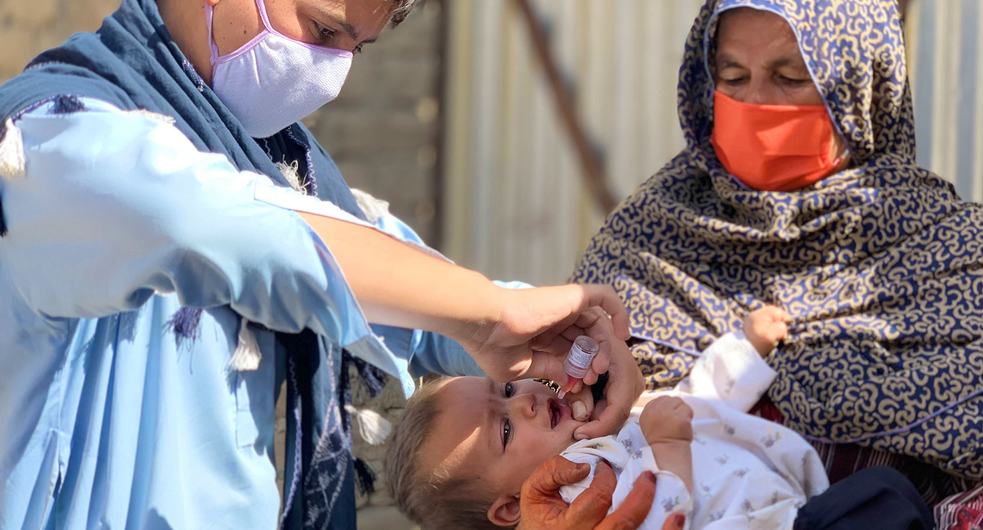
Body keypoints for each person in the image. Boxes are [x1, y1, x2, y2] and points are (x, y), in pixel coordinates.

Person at [0, 0, 650, 528]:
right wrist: (486, 313)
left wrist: (559, 346)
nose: (331, 72)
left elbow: (408, 293)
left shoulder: (281, 169)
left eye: (353, 48)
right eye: (321, 31)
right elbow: (219, 228)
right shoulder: (57, 138)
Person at [571, 1, 983, 529]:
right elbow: (540, 403)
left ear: (861, 92)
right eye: (733, 78)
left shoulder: (956, 253)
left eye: (790, 77)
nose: (758, 102)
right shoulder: (649, 236)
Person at [384, 306, 936, 529]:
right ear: (510, 510)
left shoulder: (597, 429)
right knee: (881, 503)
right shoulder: (576, 502)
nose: (523, 401)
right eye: (504, 429)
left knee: (890, 493)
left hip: (795, 504)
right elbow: (657, 515)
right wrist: (668, 449)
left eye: (504, 389)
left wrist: (745, 349)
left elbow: (692, 402)